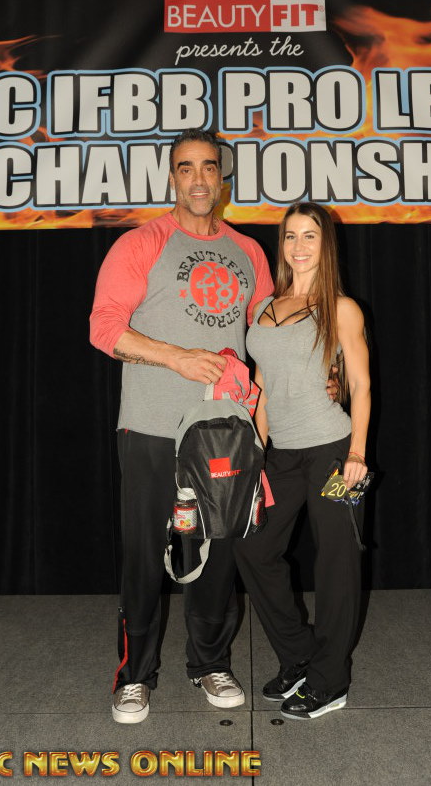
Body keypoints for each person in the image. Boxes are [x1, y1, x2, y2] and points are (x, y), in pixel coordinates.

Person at [89, 128, 274, 723]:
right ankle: (134, 677)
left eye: (209, 167)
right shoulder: (141, 244)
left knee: (217, 550)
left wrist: (313, 379)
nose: (198, 179)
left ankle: (210, 663)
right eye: (186, 168)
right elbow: (103, 328)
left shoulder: (248, 251)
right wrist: (178, 358)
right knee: (145, 555)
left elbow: (266, 338)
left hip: (225, 430)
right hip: (151, 425)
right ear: (172, 177)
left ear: (222, 177)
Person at [234, 201, 371, 721]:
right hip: (282, 454)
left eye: (309, 235)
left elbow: (360, 385)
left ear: (325, 244)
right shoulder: (265, 308)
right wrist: (255, 453)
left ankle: (330, 681)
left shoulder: (341, 308)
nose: (299, 245)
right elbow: (263, 389)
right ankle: (299, 655)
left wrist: (357, 453)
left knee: (337, 564)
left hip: (334, 452)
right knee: (252, 546)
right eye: (290, 236)